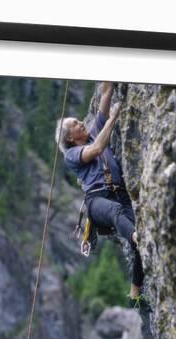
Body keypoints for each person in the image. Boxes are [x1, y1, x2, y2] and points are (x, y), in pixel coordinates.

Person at [55, 82, 145, 305]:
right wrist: (113, 118)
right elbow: (96, 150)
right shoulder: (73, 154)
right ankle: (137, 237)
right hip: (97, 200)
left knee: (138, 250)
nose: (80, 123)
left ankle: (135, 294)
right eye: (75, 123)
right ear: (70, 137)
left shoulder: (94, 133)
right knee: (123, 220)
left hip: (119, 193)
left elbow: (106, 94)